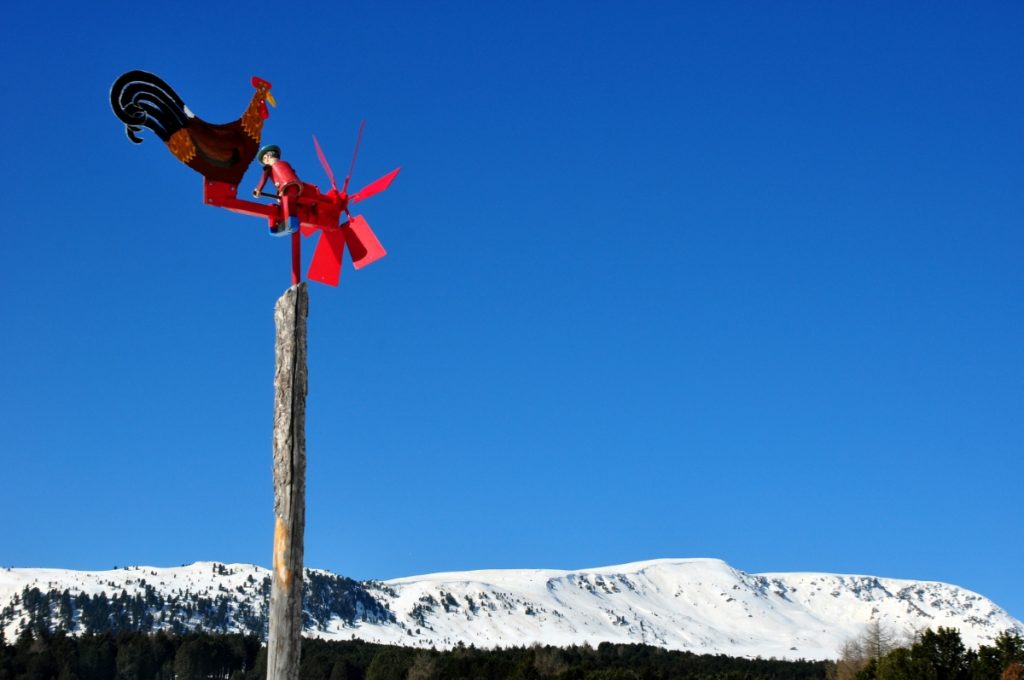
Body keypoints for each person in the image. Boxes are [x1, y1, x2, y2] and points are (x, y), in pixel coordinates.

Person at [253, 144, 302, 236]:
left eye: (264, 159)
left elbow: (263, 178)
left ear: (267, 157)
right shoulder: (286, 164)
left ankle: (288, 223)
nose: (265, 162)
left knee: (286, 204)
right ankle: (289, 221)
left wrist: (258, 189)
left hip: (285, 186)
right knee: (289, 202)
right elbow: (293, 173)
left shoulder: (269, 167)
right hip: (295, 186)